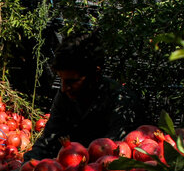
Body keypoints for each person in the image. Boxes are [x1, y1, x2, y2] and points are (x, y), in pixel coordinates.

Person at [24, 30, 147, 162]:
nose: (64, 88)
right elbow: (47, 140)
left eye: (72, 81)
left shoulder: (120, 102)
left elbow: (112, 153)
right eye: (61, 80)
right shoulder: (65, 96)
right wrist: (25, 167)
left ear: (95, 74)